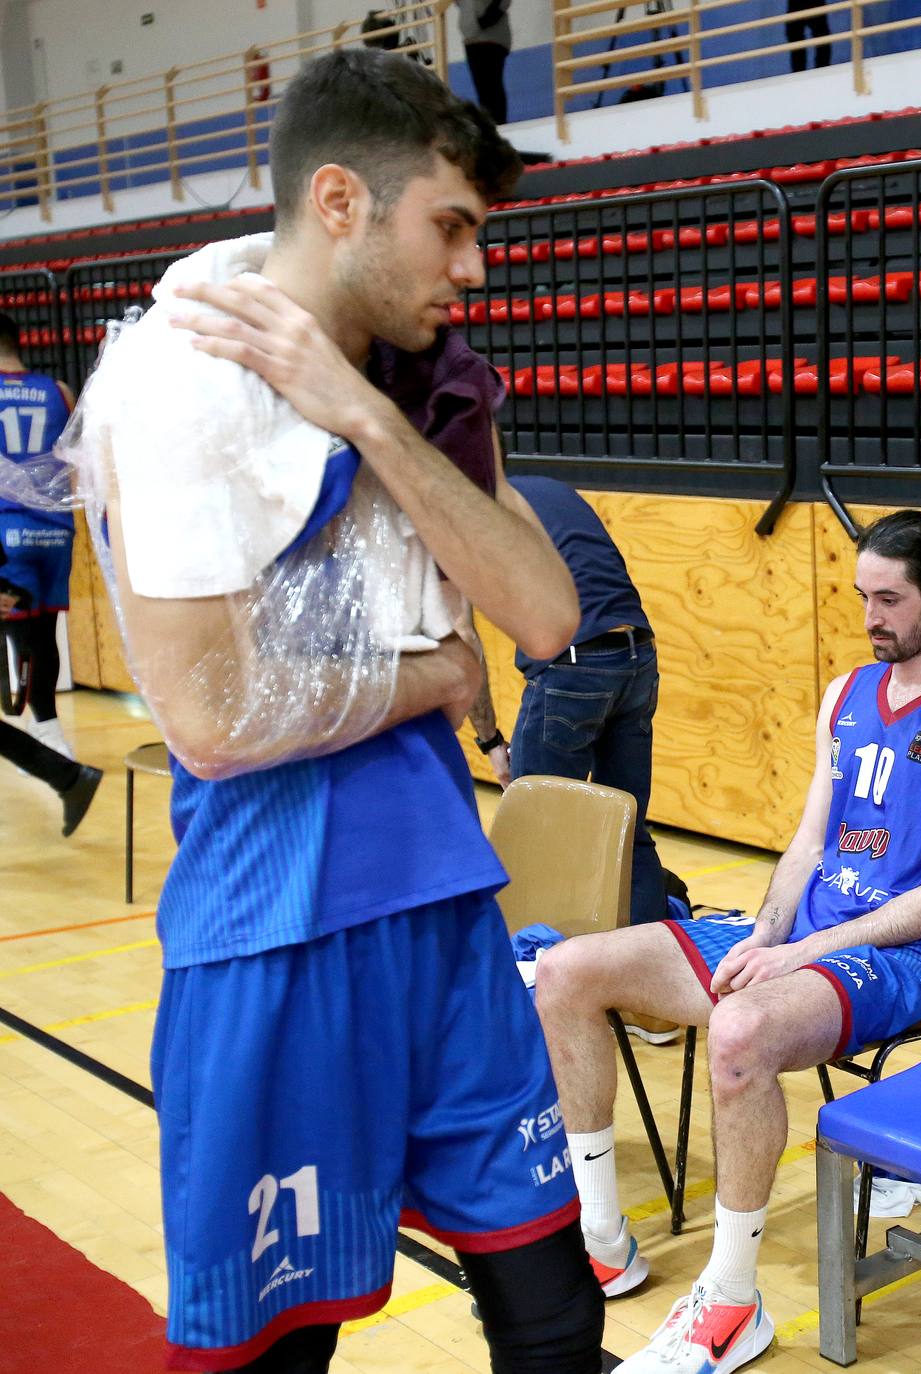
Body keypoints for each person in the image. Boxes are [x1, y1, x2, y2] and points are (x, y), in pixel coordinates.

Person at [73, 50, 603, 1374]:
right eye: (453, 225)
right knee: (282, 1350)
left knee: (558, 1317)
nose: (474, 265)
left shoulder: (425, 378)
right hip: (276, 930)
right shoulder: (172, 379)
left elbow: (543, 619)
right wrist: (431, 675)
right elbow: (211, 716)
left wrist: (362, 413)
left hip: (443, 908)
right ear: (339, 202)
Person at [535, 510, 921, 1374]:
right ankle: (603, 1240)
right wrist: (767, 933)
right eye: (861, 597)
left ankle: (732, 1302)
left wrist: (798, 957)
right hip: (805, 938)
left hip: (909, 956)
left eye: (890, 599)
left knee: (739, 1032)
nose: (871, 616)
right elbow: (807, 843)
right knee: (568, 969)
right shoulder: (845, 696)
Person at [463, 476, 666, 923]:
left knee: (541, 836)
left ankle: (542, 968)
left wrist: (491, 743)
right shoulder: (546, 488)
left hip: (573, 665)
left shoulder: (465, 508)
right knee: (629, 831)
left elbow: (463, 636)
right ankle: (657, 957)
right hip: (638, 656)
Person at [0, 312, 78, 758]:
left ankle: (43, 740)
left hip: (5, 529)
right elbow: (77, 456)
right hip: (53, 531)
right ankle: (47, 734)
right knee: (42, 636)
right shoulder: (59, 393)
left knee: (18, 636)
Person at [458, 0, 512, 126]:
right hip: (472, 38)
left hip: (492, 36)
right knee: (484, 89)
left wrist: (487, 18)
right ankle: (492, 126)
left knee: (491, 86)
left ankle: (498, 125)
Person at [785, 0, 832, 73]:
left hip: (813, 3)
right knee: (795, 36)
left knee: (821, 35)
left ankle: (822, 69)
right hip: (796, 4)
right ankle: (799, 72)